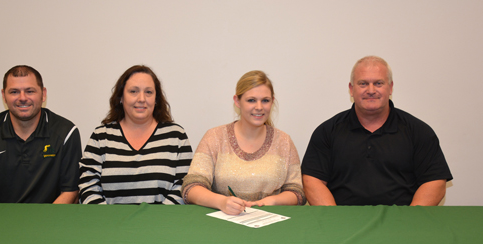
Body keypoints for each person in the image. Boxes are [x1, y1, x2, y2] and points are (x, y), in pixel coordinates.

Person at [301, 56, 452, 206]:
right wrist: (333, 219)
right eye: (363, 84)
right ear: (351, 89)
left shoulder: (418, 131)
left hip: (402, 222)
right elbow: (313, 180)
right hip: (342, 223)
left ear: (391, 87)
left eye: (378, 83)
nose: (371, 90)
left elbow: (434, 182)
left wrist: (410, 220)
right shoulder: (327, 131)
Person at [182, 70, 306, 215]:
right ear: (237, 101)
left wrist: (270, 202)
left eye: (265, 100)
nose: (259, 107)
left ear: (272, 101)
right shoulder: (214, 137)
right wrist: (221, 202)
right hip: (221, 221)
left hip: (270, 222)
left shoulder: (284, 141)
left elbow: (297, 192)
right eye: (251, 100)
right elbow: (191, 188)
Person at [0, 65, 81, 204]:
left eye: (30, 91)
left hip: (49, 220)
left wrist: (46, 223)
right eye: (14, 92)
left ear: (43, 94)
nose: (22, 98)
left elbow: (70, 192)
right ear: (3, 95)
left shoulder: (66, 133)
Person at [79, 65, 193, 204]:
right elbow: (87, 185)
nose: (141, 99)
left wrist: (156, 220)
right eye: (133, 91)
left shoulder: (176, 136)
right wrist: (108, 221)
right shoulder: (101, 136)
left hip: (162, 223)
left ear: (156, 99)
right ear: (121, 97)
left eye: (149, 92)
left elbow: (184, 185)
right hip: (108, 223)